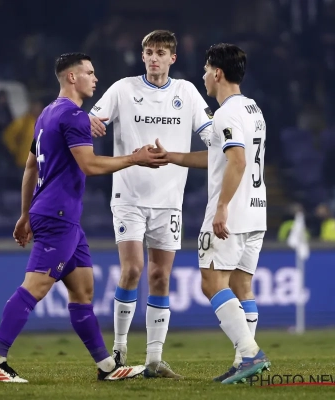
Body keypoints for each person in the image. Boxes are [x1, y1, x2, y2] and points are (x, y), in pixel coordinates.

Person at [0, 53, 168, 383]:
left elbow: (30, 167)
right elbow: (90, 165)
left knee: (82, 292)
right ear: (71, 77)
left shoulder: (46, 114)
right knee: (35, 287)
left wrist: (25, 214)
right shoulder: (74, 116)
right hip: (58, 215)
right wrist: (134, 158)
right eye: (89, 73)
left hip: (59, 216)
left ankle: (107, 367)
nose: (95, 78)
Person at [88, 30, 213, 378]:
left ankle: (154, 360)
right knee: (132, 269)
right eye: (149, 52)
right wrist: (89, 120)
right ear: (142, 56)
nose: (154, 58)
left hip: (169, 200)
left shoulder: (186, 92)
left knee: (160, 276)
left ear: (173, 58)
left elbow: (212, 135)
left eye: (160, 52)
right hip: (128, 196)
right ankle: (119, 350)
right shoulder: (123, 89)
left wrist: (225, 140)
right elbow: (90, 119)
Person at [155, 43, 271, 384]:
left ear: (217, 73)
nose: (203, 76)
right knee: (242, 285)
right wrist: (173, 157)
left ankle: (249, 353)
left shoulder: (225, 114)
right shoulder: (252, 109)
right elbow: (220, 157)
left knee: (211, 283)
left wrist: (221, 207)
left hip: (232, 213)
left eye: (206, 70)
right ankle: (243, 363)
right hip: (257, 211)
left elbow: (237, 161)